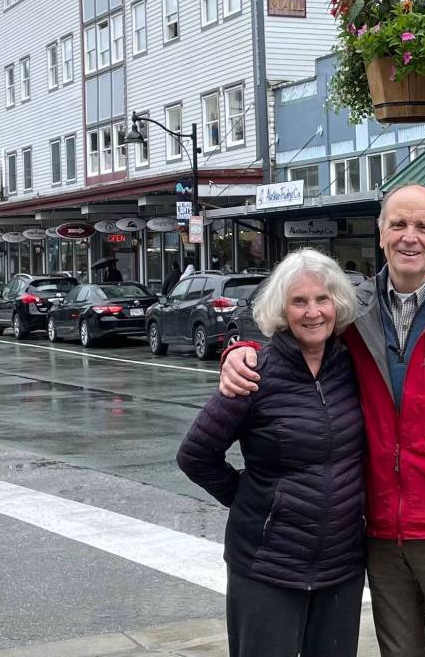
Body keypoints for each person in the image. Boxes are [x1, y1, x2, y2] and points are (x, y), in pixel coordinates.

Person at [220, 184, 425, 657]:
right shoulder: (353, 310)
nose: (410, 237)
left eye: (423, 226)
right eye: (398, 224)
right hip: (381, 535)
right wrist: (241, 351)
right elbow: (294, 327)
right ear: (380, 234)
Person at [178, 248, 366, 657]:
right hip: (267, 566)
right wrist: (251, 499)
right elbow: (195, 455)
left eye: (322, 299)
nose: (313, 312)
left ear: (338, 304)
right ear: (282, 310)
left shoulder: (356, 368)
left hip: (342, 566)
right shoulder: (254, 373)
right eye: (299, 301)